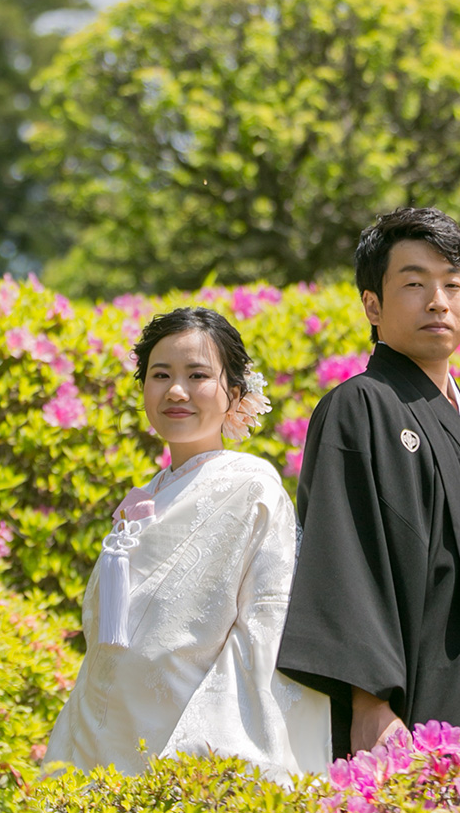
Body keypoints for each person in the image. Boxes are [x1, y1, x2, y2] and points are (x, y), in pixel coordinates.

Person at [278, 206, 460, 757]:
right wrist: (370, 703)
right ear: (372, 304)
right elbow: (347, 554)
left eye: (453, 285)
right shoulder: (360, 406)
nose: (438, 301)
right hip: (418, 692)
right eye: (414, 284)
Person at [42, 306, 331, 780]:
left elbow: (265, 627)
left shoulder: (252, 485)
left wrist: (205, 751)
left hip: (190, 738)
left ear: (233, 394)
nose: (176, 391)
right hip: (103, 741)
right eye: (160, 375)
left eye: (197, 375)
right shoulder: (143, 497)